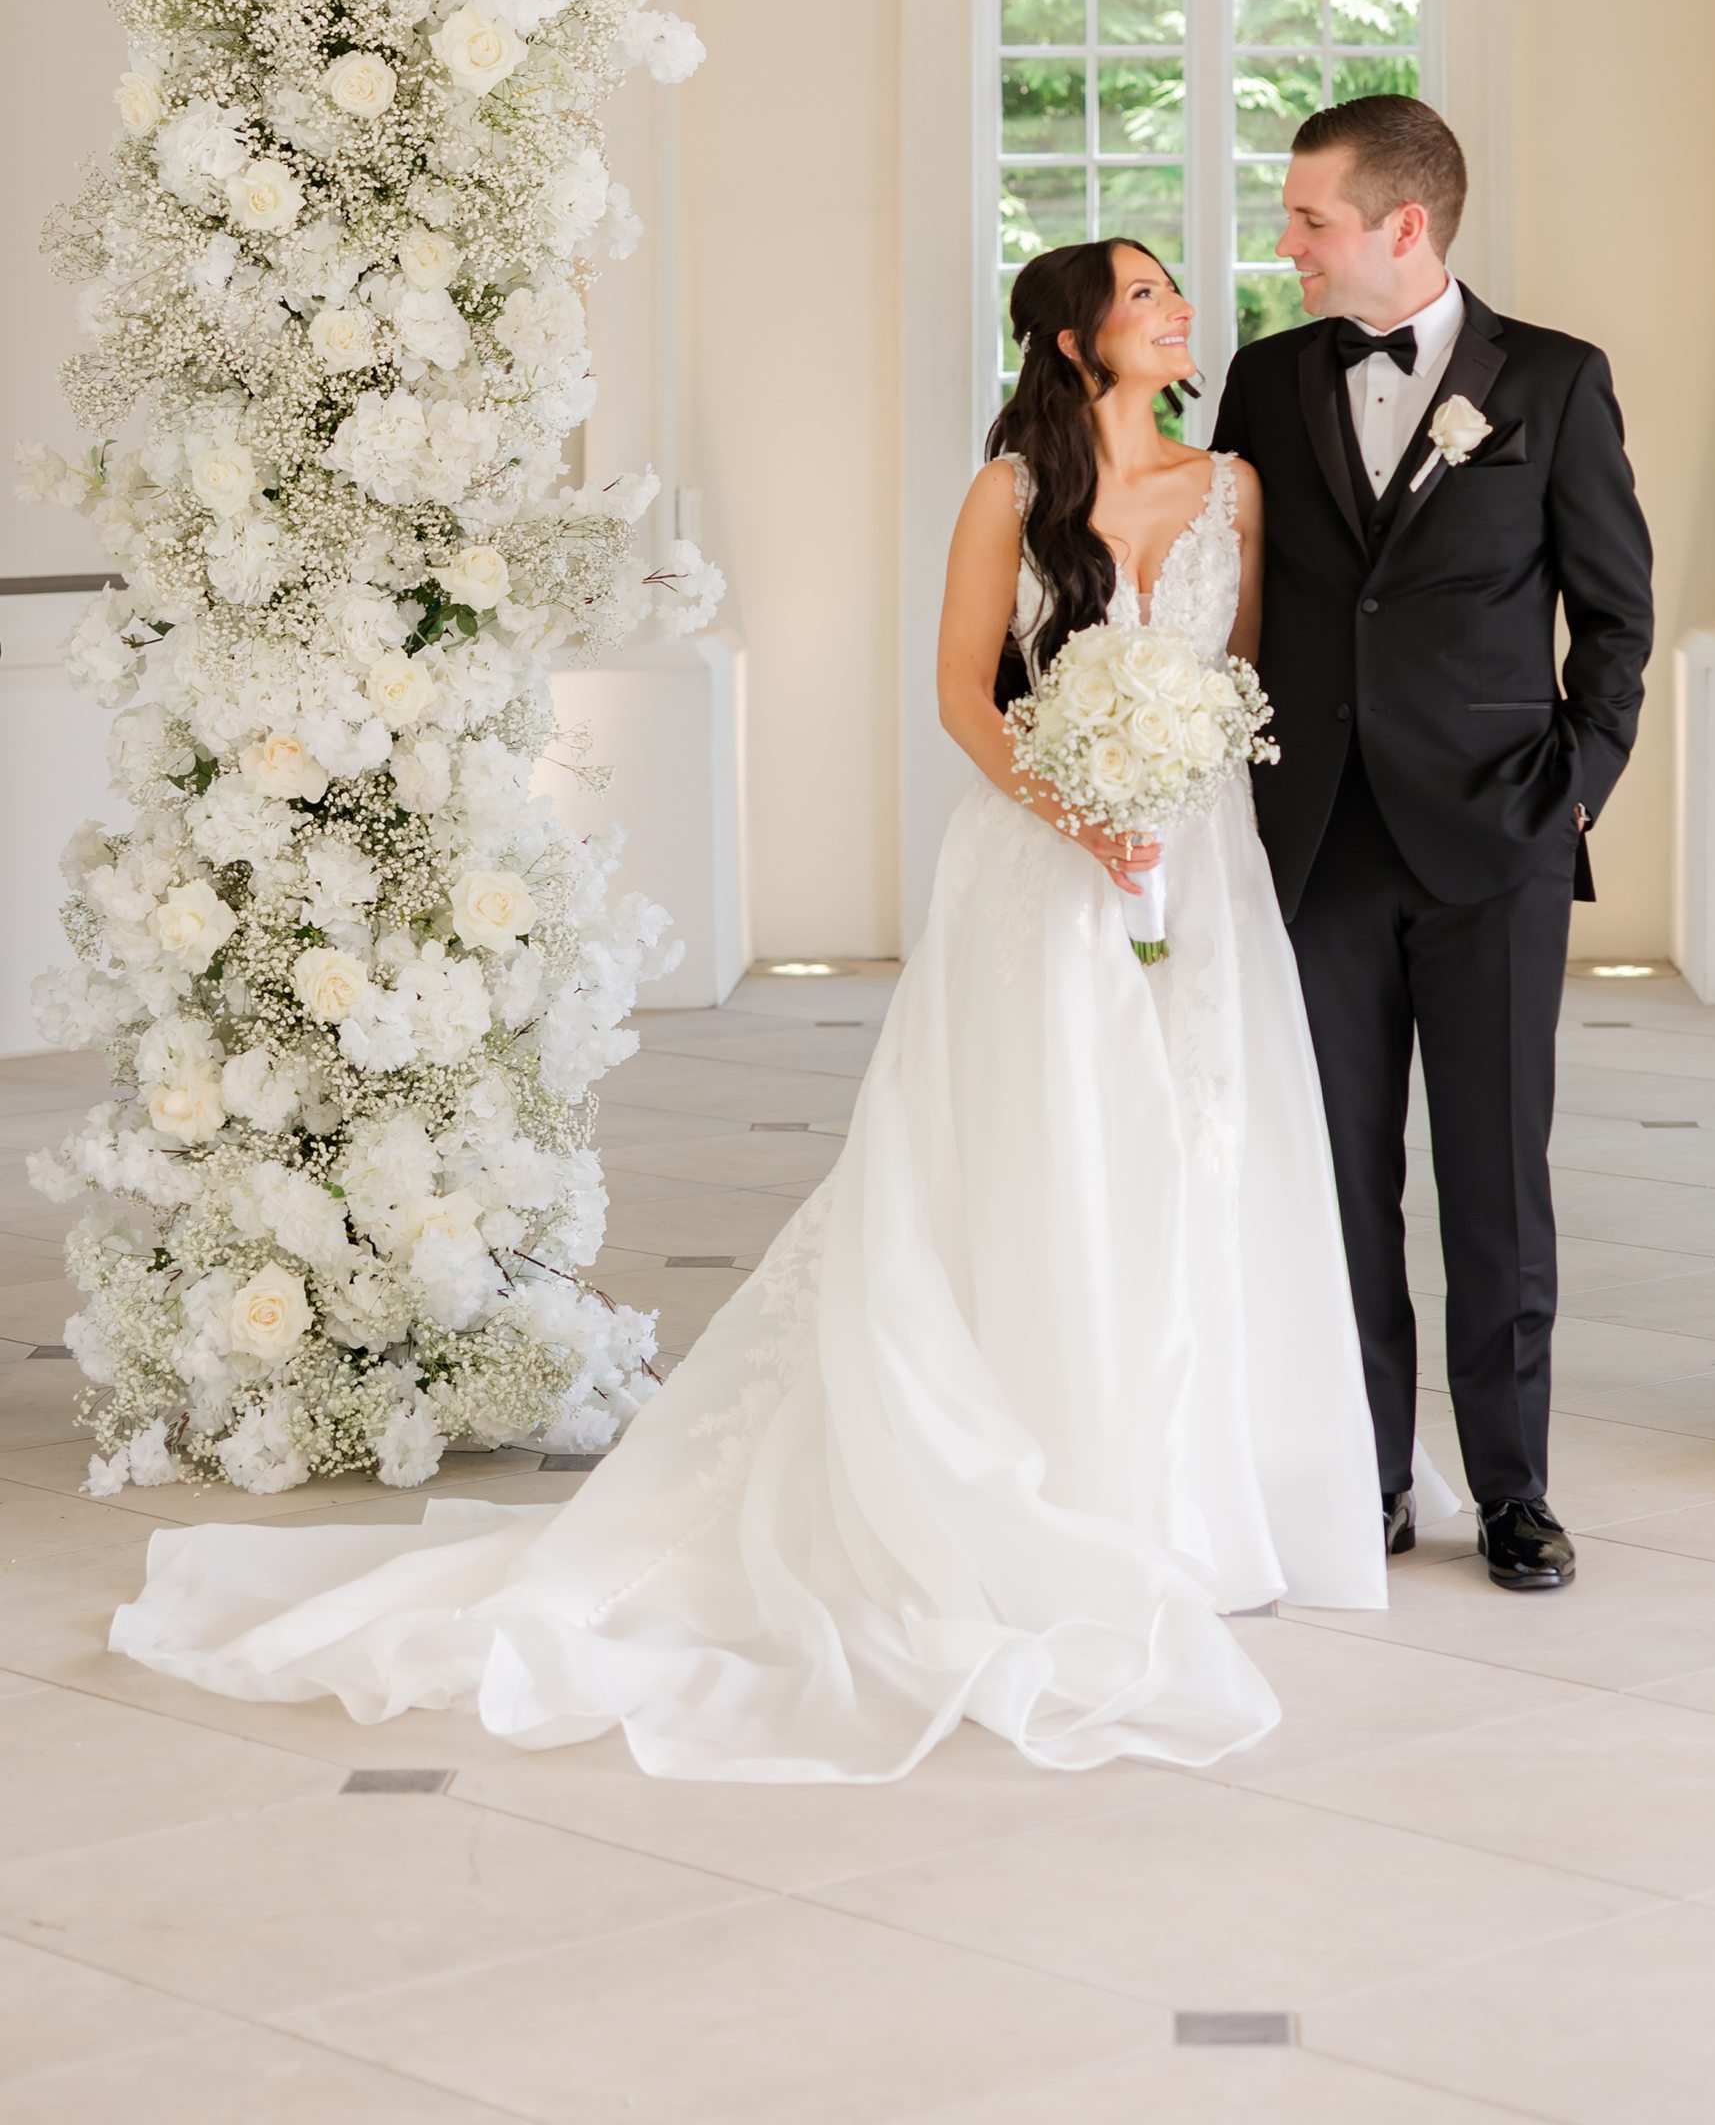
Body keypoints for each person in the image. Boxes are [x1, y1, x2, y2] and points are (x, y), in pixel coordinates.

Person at [109, 239, 1388, 1780]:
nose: (1179, 308)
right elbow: (963, 695)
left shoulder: (1233, 489)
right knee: (1040, 1141)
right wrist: (1076, 806)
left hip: (1198, 861)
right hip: (1037, 864)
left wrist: (1164, 795)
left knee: (1198, 1142)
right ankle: (1040, 1474)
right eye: (1142, 295)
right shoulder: (1007, 495)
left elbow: (1233, 681)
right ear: (1068, 343)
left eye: (1175, 289)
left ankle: (1192, 1492)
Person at [1212, 96, 1653, 1591]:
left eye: (1310, 220)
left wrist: (1573, 790)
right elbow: (1234, 594)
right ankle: (1367, 1473)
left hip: (1496, 844)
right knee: (1337, 1176)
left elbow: (1617, 615)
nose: (1288, 246)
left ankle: (1515, 1488)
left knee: (1493, 1176)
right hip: (1318, 840)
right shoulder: (1269, 382)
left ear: (1404, 226)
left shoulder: (1556, 381)